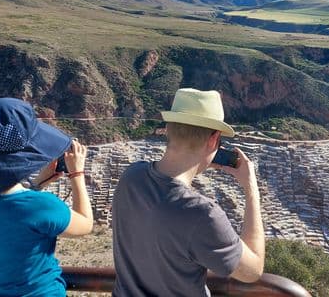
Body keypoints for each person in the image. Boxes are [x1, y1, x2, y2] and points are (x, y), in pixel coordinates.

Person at [112, 88, 264, 296]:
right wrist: (251, 189)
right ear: (214, 140)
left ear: (167, 129)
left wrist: (196, 162)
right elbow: (253, 271)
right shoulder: (203, 214)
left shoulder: (131, 177)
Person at [0, 97, 93, 296]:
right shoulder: (41, 206)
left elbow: (4, 210)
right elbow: (85, 224)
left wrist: (36, 185)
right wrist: (77, 174)